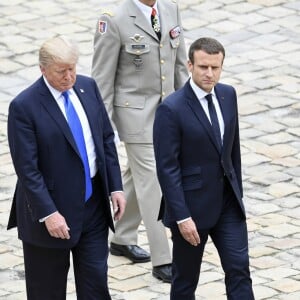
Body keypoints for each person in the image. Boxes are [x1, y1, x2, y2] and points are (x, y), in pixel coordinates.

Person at [7, 36, 126, 300]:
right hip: (51, 214)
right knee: (47, 291)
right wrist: (49, 213)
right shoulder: (24, 107)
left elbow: (105, 138)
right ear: (43, 69)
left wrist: (116, 186)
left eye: (72, 68)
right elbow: (28, 170)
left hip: (92, 206)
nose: (69, 76)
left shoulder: (88, 87)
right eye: (61, 71)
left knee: (96, 285)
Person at [92, 0, 188, 283]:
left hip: (167, 113)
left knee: (137, 177)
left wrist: (187, 109)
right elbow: (102, 80)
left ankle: (121, 236)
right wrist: (104, 128)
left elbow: (180, 65)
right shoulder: (113, 20)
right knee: (154, 182)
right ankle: (164, 259)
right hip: (134, 118)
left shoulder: (170, 9)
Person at [153, 37, 255, 299]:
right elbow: (167, 169)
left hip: (228, 205)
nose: (209, 74)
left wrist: (238, 194)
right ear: (190, 65)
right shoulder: (171, 109)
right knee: (186, 280)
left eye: (215, 68)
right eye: (203, 67)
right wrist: (182, 216)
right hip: (192, 210)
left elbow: (233, 151)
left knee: (239, 269)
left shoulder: (227, 94)